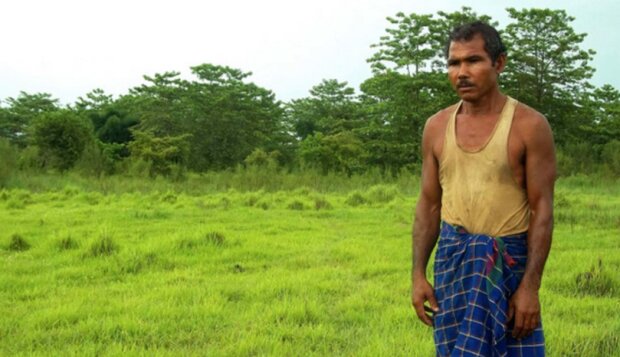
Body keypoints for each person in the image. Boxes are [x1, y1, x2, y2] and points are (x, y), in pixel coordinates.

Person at [411, 21, 555, 356]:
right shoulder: (436, 127)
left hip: (509, 262)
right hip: (454, 260)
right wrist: (418, 275)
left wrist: (530, 287)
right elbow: (429, 206)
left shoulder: (529, 126)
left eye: (473, 60)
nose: (461, 72)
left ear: (499, 63)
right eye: (453, 63)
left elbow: (542, 210)